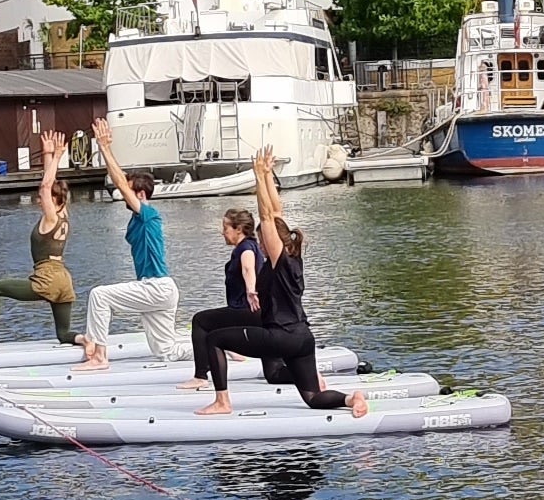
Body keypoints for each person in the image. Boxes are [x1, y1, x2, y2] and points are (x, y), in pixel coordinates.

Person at [189, 148, 366, 415]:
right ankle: (351, 400)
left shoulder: (279, 260)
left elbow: (267, 216)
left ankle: (222, 402)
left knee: (214, 339)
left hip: (280, 336)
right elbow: (277, 212)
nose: (260, 243)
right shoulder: (294, 256)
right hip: (303, 337)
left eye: (262, 240)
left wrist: (259, 176)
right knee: (312, 396)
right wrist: (268, 176)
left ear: (273, 243)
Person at [76, 124, 184, 367]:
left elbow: (122, 184)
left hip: (157, 287)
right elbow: (124, 183)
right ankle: (226, 351)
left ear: (141, 195)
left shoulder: (149, 213)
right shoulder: (139, 218)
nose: (122, 193)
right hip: (159, 290)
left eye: (129, 192)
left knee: (99, 295)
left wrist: (104, 147)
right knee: (166, 352)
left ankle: (99, 355)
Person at [0, 152, 77, 351]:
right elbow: (50, 185)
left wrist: (56, 158)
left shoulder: (51, 219)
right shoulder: (64, 214)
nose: (39, 200)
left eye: (43, 198)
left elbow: (46, 187)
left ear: (54, 200)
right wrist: (48, 155)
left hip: (47, 279)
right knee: (64, 335)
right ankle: (85, 341)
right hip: (64, 280)